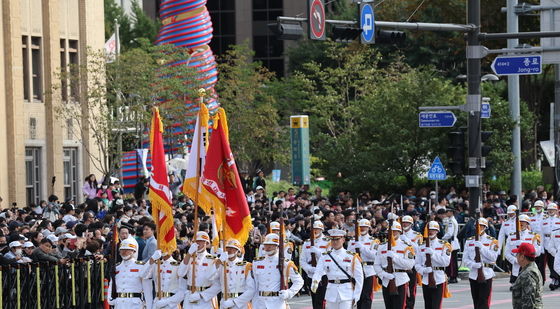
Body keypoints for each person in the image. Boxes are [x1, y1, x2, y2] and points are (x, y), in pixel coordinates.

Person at [311, 228, 364, 309]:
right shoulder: (325, 256)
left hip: (346, 293)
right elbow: (318, 271)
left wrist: (357, 295)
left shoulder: (352, 256)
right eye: (332, 239)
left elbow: (359, 277)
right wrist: (315, 281)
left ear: (343, 240)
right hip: (331, 292)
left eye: (337, 239)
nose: (334, 242)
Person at [252, 233, 303, 308]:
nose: (268, 247)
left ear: (277, 247)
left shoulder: (285, 263)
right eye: (266, 245)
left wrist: (289, 293)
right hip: (260, 303)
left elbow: (299, 281)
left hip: (277, 302)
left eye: (271, 245)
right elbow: (254, 284)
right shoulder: (257, 262)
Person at [374, 221, 416, 309]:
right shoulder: (382, 246)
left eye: (395, 231)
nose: (392, 233)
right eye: (390, 231)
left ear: (400, 232)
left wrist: (395, 258)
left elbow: (410, 265)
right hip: (386, 280)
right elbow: (376, 265)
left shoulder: (406, 247)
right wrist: (384, 274)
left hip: (401, 279)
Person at [462, 218, 499, 309]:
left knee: (483, 301)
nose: (479, 227)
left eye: (481, 226)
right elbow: (465, 259)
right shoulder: (469, 241)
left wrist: (482, 248)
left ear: (485, 227)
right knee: (476, 300)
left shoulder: (492, 241)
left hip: (486, 273)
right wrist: (473, 265)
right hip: (474, 273)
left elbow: (493, 257)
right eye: (477, 226)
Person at [415, 221, 452, 309]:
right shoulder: (421, 246)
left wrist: (433, 255)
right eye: (429, 230)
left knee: (436, 306)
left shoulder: (444, 245)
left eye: (433, 230)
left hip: (438, 278)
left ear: (437, 231)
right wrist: (423, 270)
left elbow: (446, 262)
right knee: (427, 305)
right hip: (426, 278)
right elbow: (417, 264)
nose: (431, 232)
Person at [178, 231, 219, 308]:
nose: (197, 244)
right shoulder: (189, 257)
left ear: (206, 243)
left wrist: (201, 295)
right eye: (196, 241)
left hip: (204, 300)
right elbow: (180, 273)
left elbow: (217, 284)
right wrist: (189, 253)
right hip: (189, 296)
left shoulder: (213, 260)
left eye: (201, 241)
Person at [108, 238, 152, 309]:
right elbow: (112, 284)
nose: (124, 252)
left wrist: (149, 306)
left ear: (133, 251)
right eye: (122, 250)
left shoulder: (140, 266)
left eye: (127, 250)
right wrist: (109, 299)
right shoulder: (117, 267)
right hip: (119, 303)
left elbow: (147, 289)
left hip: (134, 304)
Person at [347, 219, 378, 309]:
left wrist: (362, 247)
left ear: (368, 228)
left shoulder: (374, 241)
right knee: (358, 295)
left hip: (368, 270)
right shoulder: (353, 240)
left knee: (367, 296)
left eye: (365, 226)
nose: (363, 228)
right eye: (361, 227)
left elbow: (374, 256)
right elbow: (348, 255)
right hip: (356, 270)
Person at [300, 221, 331, 309]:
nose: (315, 231)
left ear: (321, 230)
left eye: (317, 229)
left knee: (321, 299)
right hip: (311, 273)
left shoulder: (327, 241)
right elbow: (302, 261)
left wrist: (318, 252)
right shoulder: (307, 243)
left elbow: (329, 258)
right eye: (314, 229)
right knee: (314, 298)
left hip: (323, 274)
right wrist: (309, 269)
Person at [216, 239, 256, 309]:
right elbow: (210, 278)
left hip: (240, 305)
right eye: (227, 248)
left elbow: (251, 290)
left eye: (233, 249)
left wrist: (234, 302)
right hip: (224, 302)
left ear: (238, 251)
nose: (229, 250)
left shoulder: (245, 266)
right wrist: (218, 262)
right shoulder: (221, 265)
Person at [505, 214, 542, 285]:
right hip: (516, 267)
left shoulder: (534, 236)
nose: (521, 223)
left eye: (523, 222)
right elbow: (507, 253)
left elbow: (537, 252)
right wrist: (515, 260)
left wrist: (523, 245)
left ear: (527, 223)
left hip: (529, 267)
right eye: (519, 221)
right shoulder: (511, 235)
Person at [511, 243, 543, 309]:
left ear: (522, 257)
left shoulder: (527, 274)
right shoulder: (532, 268)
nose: (516, 257)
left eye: (517, 254)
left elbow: (528, 301)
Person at [401, 215, 423, 309]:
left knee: (411, 286)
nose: (405, 224)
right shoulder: (397, 234)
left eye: (407, 223)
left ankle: (410, 306)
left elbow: (419, 249)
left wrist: (408, 241)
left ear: (411, 224)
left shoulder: (417, 235)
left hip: (411, 263)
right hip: (400, 263)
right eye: (403, 222)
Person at [542, 203, 560, 290]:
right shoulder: (544, 220)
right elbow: (541, 234)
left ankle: (555, 279)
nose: (551, 211)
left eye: (553, 209)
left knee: (555, 262)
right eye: (549, 209)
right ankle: (555, 278)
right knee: (550, 263)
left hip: (556, 244)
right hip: (546, 243)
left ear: (556, 211)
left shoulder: (558, 220)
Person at [443, 208, 460, 283]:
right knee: (453, 261)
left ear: (451, 212)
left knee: (452, 261)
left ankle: (452, 276)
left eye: (447, 212)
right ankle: (453, 276)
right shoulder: (452, 220)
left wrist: (442, 238)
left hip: (451, 243)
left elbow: (449, 233)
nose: (446, 213)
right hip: (453, 242)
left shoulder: (451, 221)